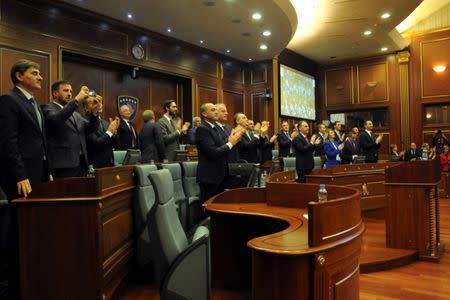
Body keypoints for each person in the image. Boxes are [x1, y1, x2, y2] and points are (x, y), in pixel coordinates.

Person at [0, 59, 52, 299]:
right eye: (35, 73)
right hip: (21, 176)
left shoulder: (36, 104)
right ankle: (15, 285)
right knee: (18, 230)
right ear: (20, 76)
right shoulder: (9, 100)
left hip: (38, 173)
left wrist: (47, 169)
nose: (41, 77)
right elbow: (8, 142)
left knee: (33, 227)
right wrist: (20, 174)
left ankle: (34, 275)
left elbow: (40, 141)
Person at [43, 80, 98, 178]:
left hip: (81, 163)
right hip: (63, 166)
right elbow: (56, 120)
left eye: (71, 91)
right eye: (66, 91)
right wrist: (76, 100)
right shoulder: (48, 108)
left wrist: (94, 113)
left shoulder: (75, 114)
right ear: (55, 93)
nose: (69, 94)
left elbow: (90, 130)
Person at [195, 103, 243, 203]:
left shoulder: (215, 128)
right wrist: (231, 143)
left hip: (219, 175)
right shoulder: (202, 128)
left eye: (216, 110)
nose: (216, 111)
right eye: (213, 110)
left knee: (218, 205)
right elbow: (213, 153)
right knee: (208, 206)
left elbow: (221, 144)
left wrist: (231, 138)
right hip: (209, 176)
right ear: (204, 114)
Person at [82, 95, 120, 168]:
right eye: (94, 102)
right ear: (86, 108)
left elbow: (116, 145)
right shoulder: (84, 121)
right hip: (95, 165)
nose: (98, 104)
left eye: (99, 102)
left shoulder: (105, 122)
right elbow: (96, 144)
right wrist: (109, 132)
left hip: (109, 163)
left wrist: (114, 132)